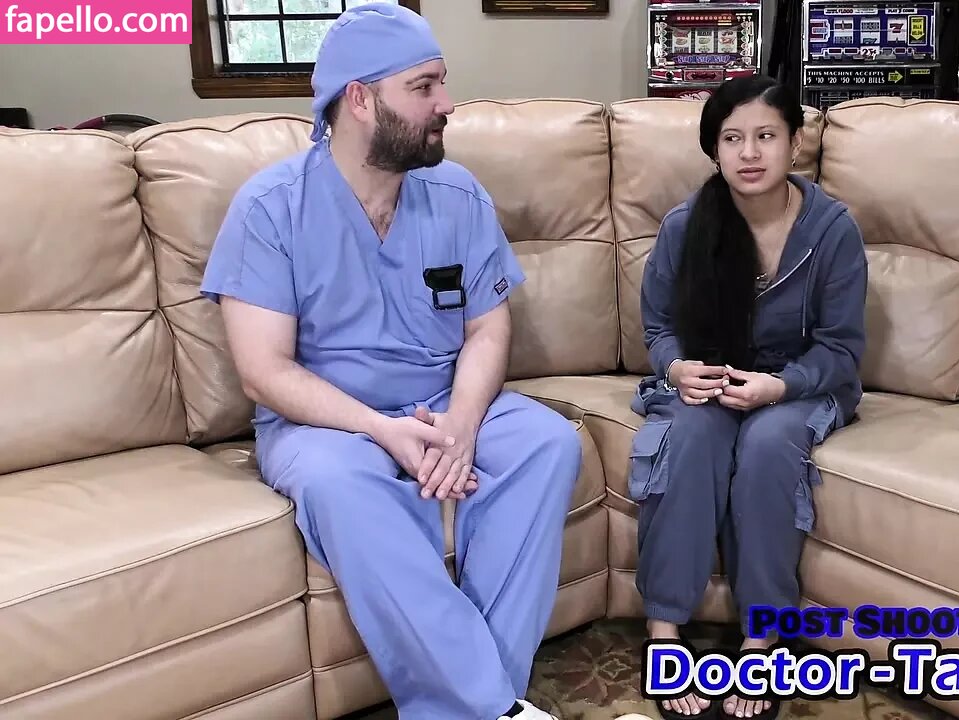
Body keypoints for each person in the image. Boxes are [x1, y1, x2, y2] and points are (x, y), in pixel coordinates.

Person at [199, 5, 581, 720]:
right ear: (359, 99)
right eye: (424, 86)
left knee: (548, 442)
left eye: (443, 83)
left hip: (444, 396)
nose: (447, 103)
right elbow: (263, 371)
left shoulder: (457, 194)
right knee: (339, 485)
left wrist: (462, 422)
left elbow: (487, 328)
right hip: (325, 422)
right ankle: (495, 706)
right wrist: (380, 430)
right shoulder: (270, 209)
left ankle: (474, 704)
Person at [629, 76, 868, 719]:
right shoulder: (687, 225)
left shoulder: (833, 230)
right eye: (732, 139)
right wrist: (677, 368)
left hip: (798, 384)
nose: (750, 153)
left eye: (766, 136)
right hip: (709, 379)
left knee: (767, 444)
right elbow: (659, 328)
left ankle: (762, 642)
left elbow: (841, 349)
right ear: (714, 150)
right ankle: (664, 631)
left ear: (795, 144)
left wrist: (780, 386)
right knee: (691, 435)